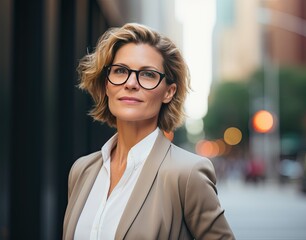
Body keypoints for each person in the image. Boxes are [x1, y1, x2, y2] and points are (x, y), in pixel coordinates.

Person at [62, 23, 235, 240]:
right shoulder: (82, 170)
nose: (131, 83)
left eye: (148, 75)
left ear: (168, 92)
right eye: (120, 71)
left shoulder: (187, 174)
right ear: (107, 84)